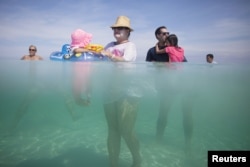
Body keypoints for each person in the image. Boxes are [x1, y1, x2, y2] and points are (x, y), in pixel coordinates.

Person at [101, 16, 141, 167]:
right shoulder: (109, 45)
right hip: (109, 90)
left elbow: (127, 62)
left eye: (120, 28)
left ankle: (137, 158)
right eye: (114, 28)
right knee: (112, 129)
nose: (116, 30)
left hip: (128, 92)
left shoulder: (130, 45)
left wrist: (110, 55)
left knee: (126, 130)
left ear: (128, 31)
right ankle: (113, 164)